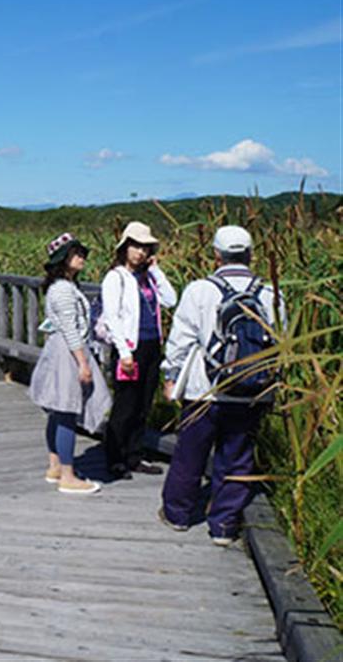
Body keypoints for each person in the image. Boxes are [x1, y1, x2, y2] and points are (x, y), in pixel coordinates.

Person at [159, 225, 285, 546]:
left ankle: (178, 515)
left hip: (205, 390)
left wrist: (171, 376)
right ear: (250, 254)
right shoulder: (271, 293)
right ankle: (224, 526)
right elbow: (280, 345)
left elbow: (181, 341)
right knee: (238, 457)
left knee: (190, 453)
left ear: (215, 254)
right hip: (251, 391)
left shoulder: (200, 290)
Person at [28, 232, 111, 495]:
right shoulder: (64, 290)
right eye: (76, 254)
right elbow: (70, 329)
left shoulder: (63, 287)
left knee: (58, 411)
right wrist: (83, 363)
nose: (82, 258)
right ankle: (68, 475)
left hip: (59, 349)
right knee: (66, 412)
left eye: (82, 253)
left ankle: (55, 465)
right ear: (63, 260)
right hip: (67, 352)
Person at [100, 221, 177, 480]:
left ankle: (135, 455)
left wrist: (156, 271)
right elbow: (111, 316)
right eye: (136, 246)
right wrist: (123, 352)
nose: (140, 252)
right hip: (129, 348)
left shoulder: (147, 278)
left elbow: (170, 299)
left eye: (145, 247)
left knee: (144, 404)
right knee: (125, 405)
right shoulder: (116, 277)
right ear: (125, 247)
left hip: (152, 345)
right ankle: (115, 458)